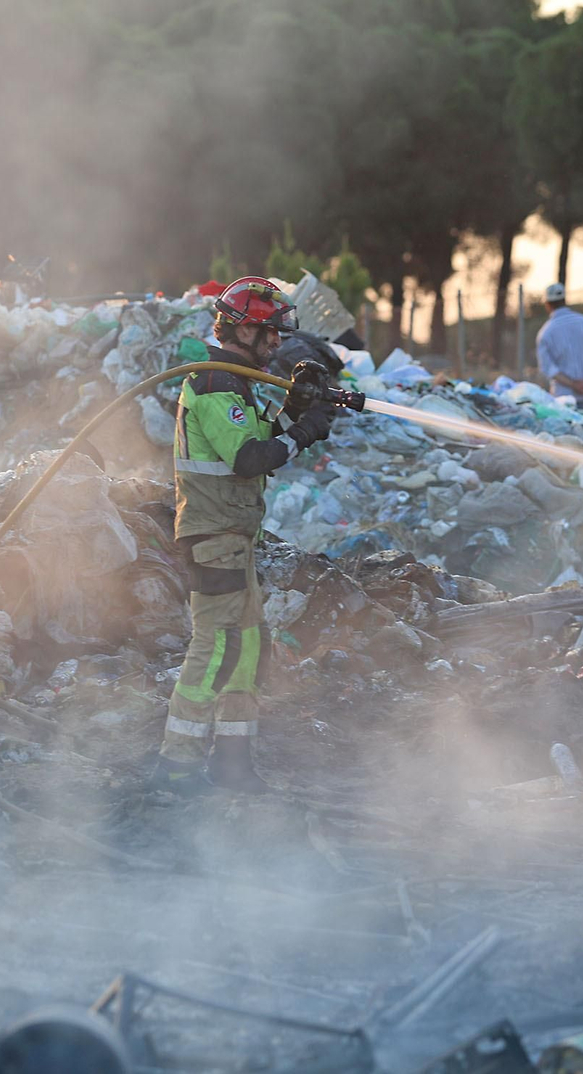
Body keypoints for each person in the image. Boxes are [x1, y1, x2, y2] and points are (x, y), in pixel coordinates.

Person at [152, 276, 333, 795]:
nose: (277, 343)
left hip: (234, 537)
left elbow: (259, 439)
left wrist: (295, 410)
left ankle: (232, 764)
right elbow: (249, 458)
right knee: (218, 648)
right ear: (244, 330)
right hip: (213, 536)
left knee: (249, 645)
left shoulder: (235, 385)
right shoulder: (214, 384)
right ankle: (176, 767)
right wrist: (305, 431)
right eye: (270, 332)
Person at [535, 282, 583, 410]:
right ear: (565, 300)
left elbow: (548, 368)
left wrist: (574, 385)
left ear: (547, 305)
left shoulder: (546, 332)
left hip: (563, 398)